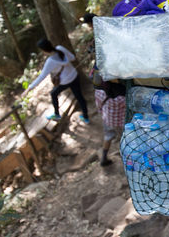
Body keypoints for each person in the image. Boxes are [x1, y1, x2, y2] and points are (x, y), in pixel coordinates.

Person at [84, 14, 126, 166]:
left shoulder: (97, 67)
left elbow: (95, 80)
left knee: (109, 133)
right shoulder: (117, 67)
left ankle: (104, 156)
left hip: (103, 97)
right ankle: (126, 156)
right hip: (116, 100)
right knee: (125, 133)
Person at [21, 38, 90, 123]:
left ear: (44, 50)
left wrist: (29, 88)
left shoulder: (50, 61)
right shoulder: (60, 48)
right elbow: (73, 58)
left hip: (65, 82)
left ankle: (57, 114)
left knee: (53, 94)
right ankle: (86, 117)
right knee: (79, 97)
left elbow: (41, 77)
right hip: (74, 76)